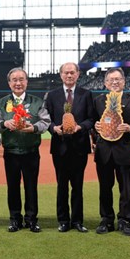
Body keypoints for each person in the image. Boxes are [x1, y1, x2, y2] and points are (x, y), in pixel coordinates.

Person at [0, 67, 51, 233]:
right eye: (14, 80)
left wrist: (34, 128)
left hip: (31, 151)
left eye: (21, 79)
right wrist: (4, 124)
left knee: (31, 186)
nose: (18, 83)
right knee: (13, 187)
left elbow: (46, 122)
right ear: (9, 83)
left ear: (26, 81)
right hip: (11, 152)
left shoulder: (37, 102)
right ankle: (15, 219)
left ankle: (32, 220)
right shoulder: (1, 104)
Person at [92, 68, 130, 236]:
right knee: (105, 188)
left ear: (124, 82)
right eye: (111, 80)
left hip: (125, 149)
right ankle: (106, 220)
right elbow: (92, 121)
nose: (115, 82)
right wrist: (95, 127)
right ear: (105, 83)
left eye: (118, 79)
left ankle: (125, 221)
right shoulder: (98, 101)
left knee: (126, 189)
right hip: (104, 151)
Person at [45, 62, 95, 233]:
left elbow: (91, 119)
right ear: (60, 75)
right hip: (59, 147)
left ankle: (78, 221)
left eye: (72, 72)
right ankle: (63, 220)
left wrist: (80, 127)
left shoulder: (86, 94)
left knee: (78, 186)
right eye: (66, 73)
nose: (69, 75)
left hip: (79, 146)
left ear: (78, 74)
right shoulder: (52, 95)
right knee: (61, 186)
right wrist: (54, 128)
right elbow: (46, 120)